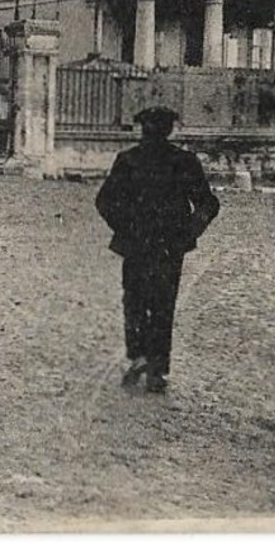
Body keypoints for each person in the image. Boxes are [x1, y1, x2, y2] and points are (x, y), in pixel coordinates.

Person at [94, 107, 221, 394]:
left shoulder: (128, 160)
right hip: (168, 247)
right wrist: (187, 233)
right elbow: (208, 204)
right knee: (163, 305)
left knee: (135, 300)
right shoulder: (184, 161)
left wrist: (125, 228)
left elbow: (104, 201)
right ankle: (156, 370)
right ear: (169, 130)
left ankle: (138, 355)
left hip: (137, 245)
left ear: (143, 129)